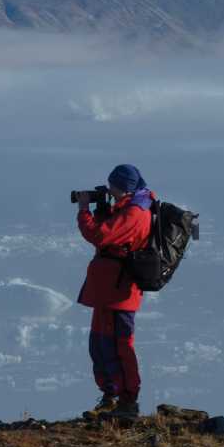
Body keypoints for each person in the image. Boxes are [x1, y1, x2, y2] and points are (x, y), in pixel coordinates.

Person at [76, 163, 155, 419]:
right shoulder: (124, 209)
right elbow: (110, 235)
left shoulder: (135, 213)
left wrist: (84, 210)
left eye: (112, 185)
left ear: (122, 186)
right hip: (107, 289)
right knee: (99, 345)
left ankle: (127, 401)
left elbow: (100, 236)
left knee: (118, 347)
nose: (109, 190)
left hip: (119, 291)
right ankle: (111, 395)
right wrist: (101, 210)